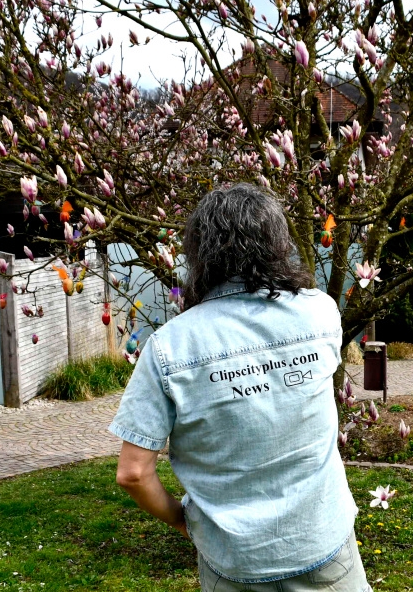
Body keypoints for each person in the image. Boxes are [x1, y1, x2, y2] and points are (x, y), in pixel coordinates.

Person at [108, 183, 369, 592]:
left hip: (233, 560)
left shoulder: (168, 347)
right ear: (278, 244)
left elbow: (134, 473)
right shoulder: (321, 311)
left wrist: (183, 522)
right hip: (321, 543)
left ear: (199, 253)